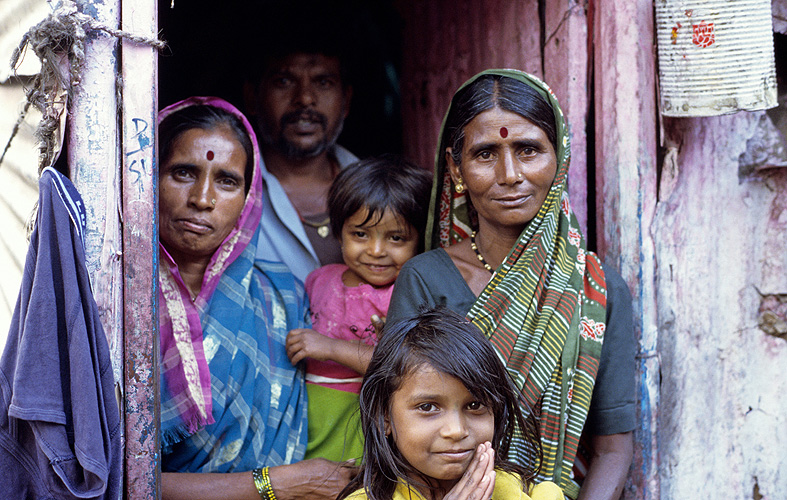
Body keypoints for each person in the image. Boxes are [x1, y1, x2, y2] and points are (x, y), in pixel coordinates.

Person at [386, 70, 636, 500]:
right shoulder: (426, 279)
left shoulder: (596, 289)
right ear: (455, 167)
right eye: (485, 154)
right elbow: (396, 421)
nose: (510, 174)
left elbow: (613, 447)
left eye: (528, 150)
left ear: (560, 157)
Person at [157, 96, 353, 500]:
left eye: (227, 180)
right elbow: (105, 472)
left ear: (249, 197)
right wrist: (272, 484)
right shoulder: (110, 303)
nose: (202, 198)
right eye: (182, 173)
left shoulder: (282, 299)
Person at [284, 155, 432, 462]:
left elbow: (403, 367)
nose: (376, 251)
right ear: (339, 232)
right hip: (309, 412)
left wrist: (331, 348)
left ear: (419, 241)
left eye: (396, 238)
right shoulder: (319, 280)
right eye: (360, 234)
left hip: (364, 415)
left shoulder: (407, 294)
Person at [338, 307, 564, 500]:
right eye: (427, 407)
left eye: (475, 406)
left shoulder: (520, 492)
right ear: (384, 417)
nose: (456, 431)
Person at [243, 40, 357, 283]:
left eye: (323, 83)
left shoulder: (379, 187)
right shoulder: (229, 192)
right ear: (252, 96)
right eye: (283, 81)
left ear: (346, 100)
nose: (305, 98)